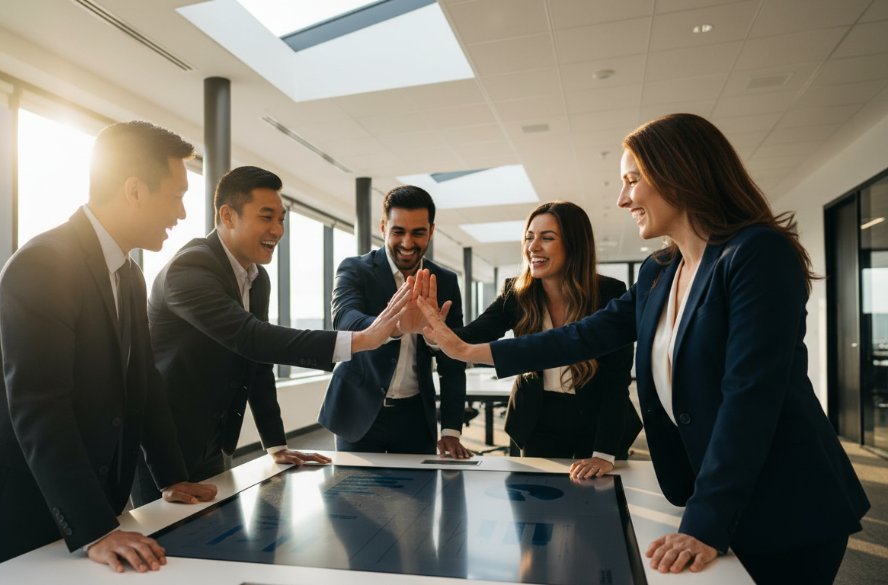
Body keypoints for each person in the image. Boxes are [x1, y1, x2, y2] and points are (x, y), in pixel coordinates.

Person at [413, 113, 870, 584]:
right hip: (717, 490)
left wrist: (705, 523)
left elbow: (750, 399)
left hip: (786, 501)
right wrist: (462, 349)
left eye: (633, 180)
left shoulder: (755, 254)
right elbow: (580, 336)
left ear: (679, 173)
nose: (622, 197)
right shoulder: (659, 272)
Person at [0, 121, 218, 573]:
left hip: (85, 501)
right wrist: (95, 529)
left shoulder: (129, 275)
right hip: (17, 508)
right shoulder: (42, 265)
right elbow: (40, 407)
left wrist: (172, 477)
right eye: (176, 195)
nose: (182, 214)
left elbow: (143, 383)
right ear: (133, 190)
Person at [132, 166, 413, 505]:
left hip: (213, 441)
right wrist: (364, 339)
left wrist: (276, 445)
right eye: (267, 217)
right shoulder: (189, 269)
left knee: (217, 544)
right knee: (165, 551)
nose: (277, 230)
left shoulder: (256, 279)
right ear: (227, 215)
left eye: (282, 219)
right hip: (161, 448)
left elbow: (257, 361)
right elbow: (252, 338)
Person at [457, 201, 640, 477]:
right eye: (529, 237)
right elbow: (470, 337)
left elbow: (616, 380)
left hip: (598, 417)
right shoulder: (516, 292)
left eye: (547, 238)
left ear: (574, 245)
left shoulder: (608, 293)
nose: (533, 246)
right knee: (534, 507)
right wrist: (433, 328)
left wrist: (603, 454)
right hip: (536, 418)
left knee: (596, 509)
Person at [319, 185, 471, 458]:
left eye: (418, 232)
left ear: (431, 231)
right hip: (358, 410)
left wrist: (450, 429)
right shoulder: (354, 269)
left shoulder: (445, 281)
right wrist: (395, 326)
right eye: (398, 231)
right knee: (355, 498)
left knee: (419, 499)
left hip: (415, 417)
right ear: (383, 227)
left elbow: (453, 362)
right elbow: (345, 320)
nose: (408, 243)